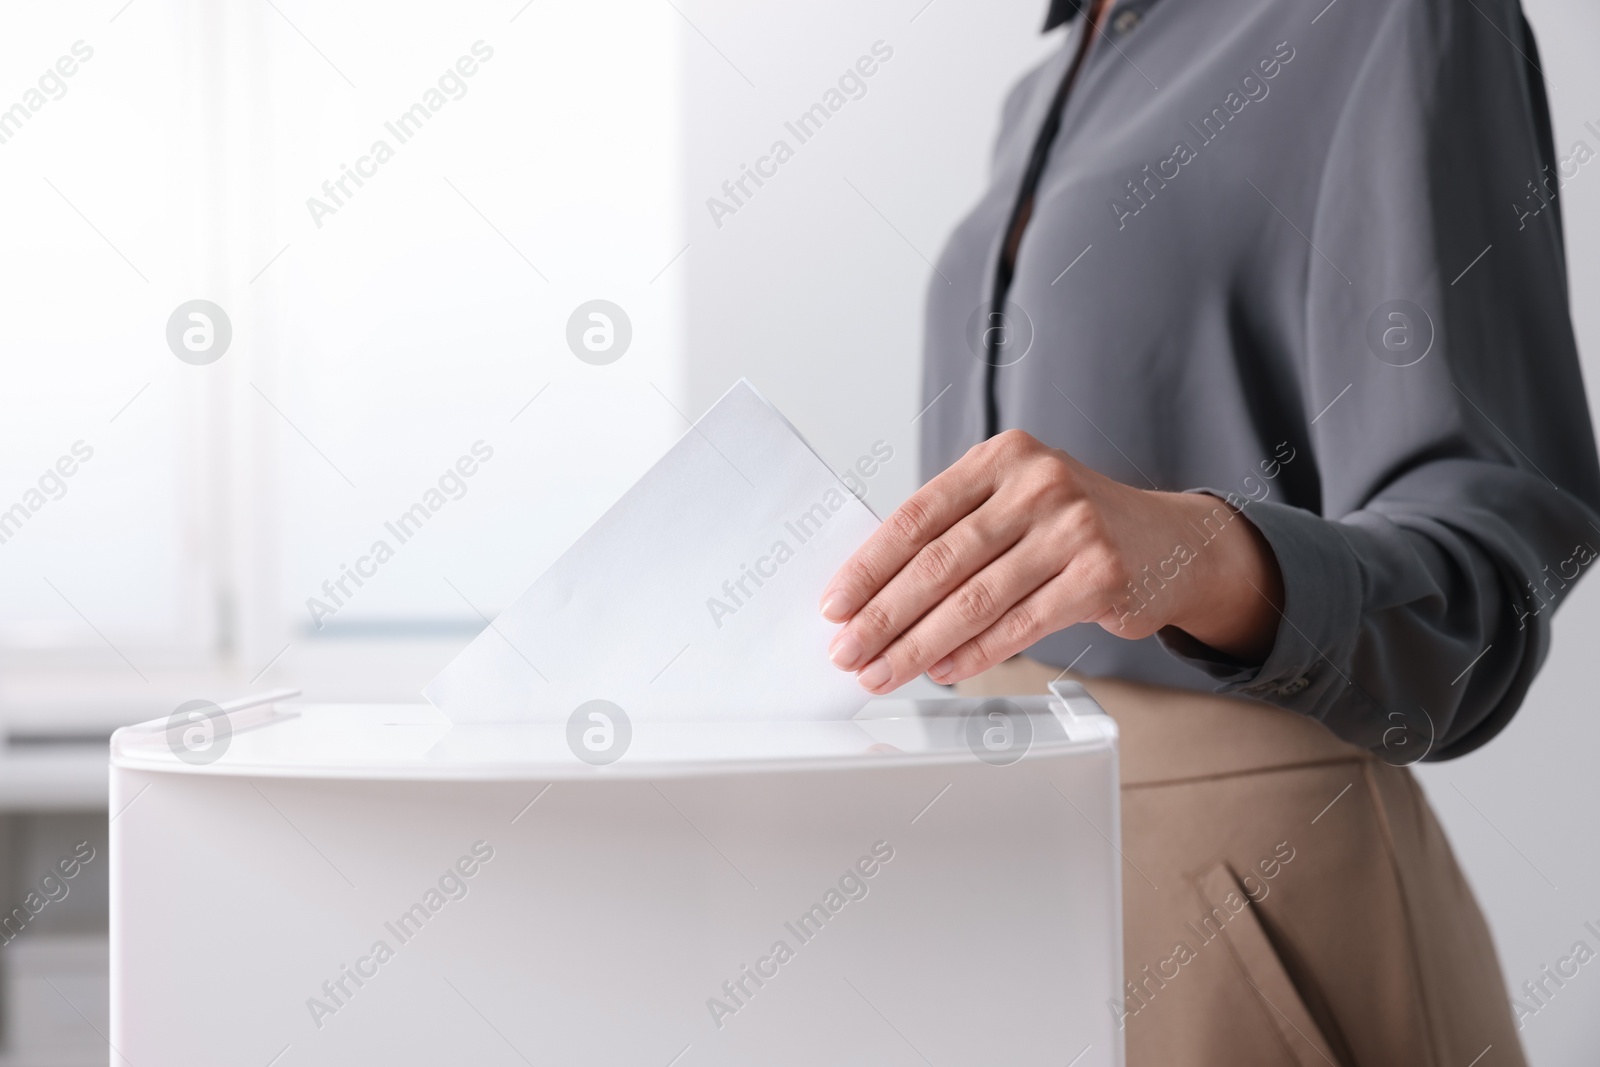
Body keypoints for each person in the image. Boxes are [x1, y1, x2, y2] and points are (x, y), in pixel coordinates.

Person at [822, 0, 1600, 1062]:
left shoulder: (1398, 18)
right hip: (1003, 891)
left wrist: (1197, 550)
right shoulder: (1045, 78)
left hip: (1247, 893)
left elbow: (1486, 576)